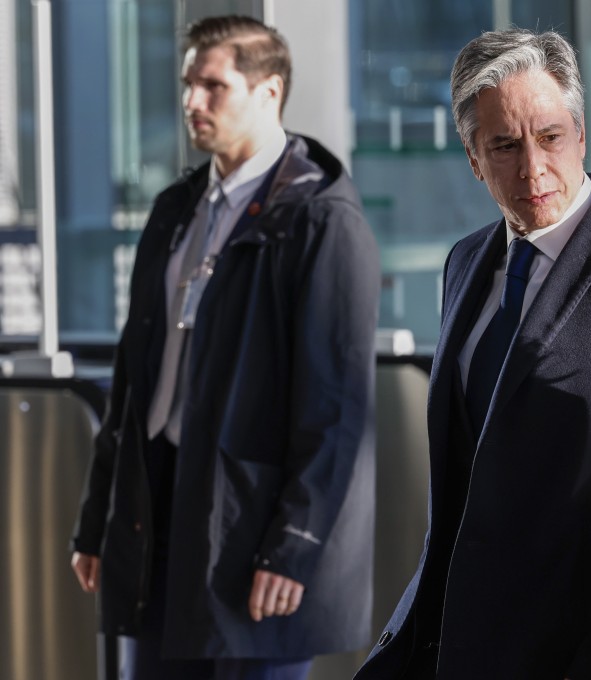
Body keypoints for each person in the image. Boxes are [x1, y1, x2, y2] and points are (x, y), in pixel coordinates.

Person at [355, 28, 591, 680]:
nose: (532, 168)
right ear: (473, 158)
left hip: (573, 640)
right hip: (449, 633)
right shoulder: (465, 261)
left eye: (550, 137)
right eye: (504, 147)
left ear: (582, 133)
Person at [69, 15, 379, 680]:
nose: (192, 102)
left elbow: (337, 404)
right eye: (188, 85)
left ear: (269, 92)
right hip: (158, 515)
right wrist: (98, 520)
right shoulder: (177, 208)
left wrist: (294, 546)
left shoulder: (321, 218)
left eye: (213, 86)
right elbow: (133, 380)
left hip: (251, 529)